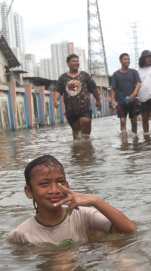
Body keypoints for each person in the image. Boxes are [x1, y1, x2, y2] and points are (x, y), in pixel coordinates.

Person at [8, 155, 136, 246]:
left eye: (60, 182)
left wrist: (95, 201)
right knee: (63, 259)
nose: (54, 190)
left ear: (67, 186)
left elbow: (129, 230)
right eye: (44, 184)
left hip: (85, 267)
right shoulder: (22, 234)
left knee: (114, 253)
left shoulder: (83, 215)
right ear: (29, 191)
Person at [53, 54, 102, 140]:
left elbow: (94, 89)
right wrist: (55, 100)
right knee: (76, 131)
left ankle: (87, 147)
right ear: (68, 63)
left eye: (77, 61)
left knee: (85, 122)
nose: (76, 63)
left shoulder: (84, 75)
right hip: (71, 109)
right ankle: (77, 150)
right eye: (73, 61)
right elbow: (58, 90)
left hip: (85, 107)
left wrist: (98, 100)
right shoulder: (63, 78)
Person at [110, 52, 140, 134]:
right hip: (121, 101)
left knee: (134, 121)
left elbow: (138, 83)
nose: (127, 61)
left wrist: (134, 94)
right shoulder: (116, 74)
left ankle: (135, 138)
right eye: (125, 59)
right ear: (120, 61)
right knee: (122, 121)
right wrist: (112, 101)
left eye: (128, 59)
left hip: (133, 101)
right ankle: (124, 139)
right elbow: (113, 89)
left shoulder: (134, 72)